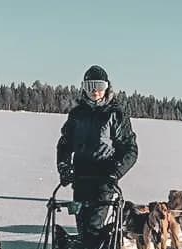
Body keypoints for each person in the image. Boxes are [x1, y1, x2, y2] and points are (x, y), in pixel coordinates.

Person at [56, 65, 138, 239]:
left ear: (107, 87)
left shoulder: (115, 114)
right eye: (90, 86)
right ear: (84, 88)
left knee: (94, 226)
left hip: (104, 179)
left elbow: (130, 150)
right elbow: (65, 144)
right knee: (82, 226)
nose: (95, 91)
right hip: (80, 178)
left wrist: (116, 173)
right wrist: (64, 167)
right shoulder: (77, 114)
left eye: (99, 86)